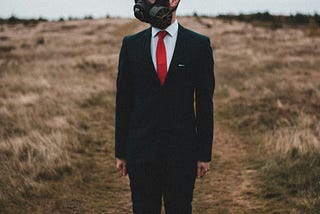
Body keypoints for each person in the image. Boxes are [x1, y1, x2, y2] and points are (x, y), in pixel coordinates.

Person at [115, 0, 215, 213]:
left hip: (182, 154)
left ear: (173, 1)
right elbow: (123, 101)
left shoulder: (198, 45)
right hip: (141, 154)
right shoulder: (131, 45)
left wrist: (204, 154)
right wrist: (121, 151)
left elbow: (205, 103)